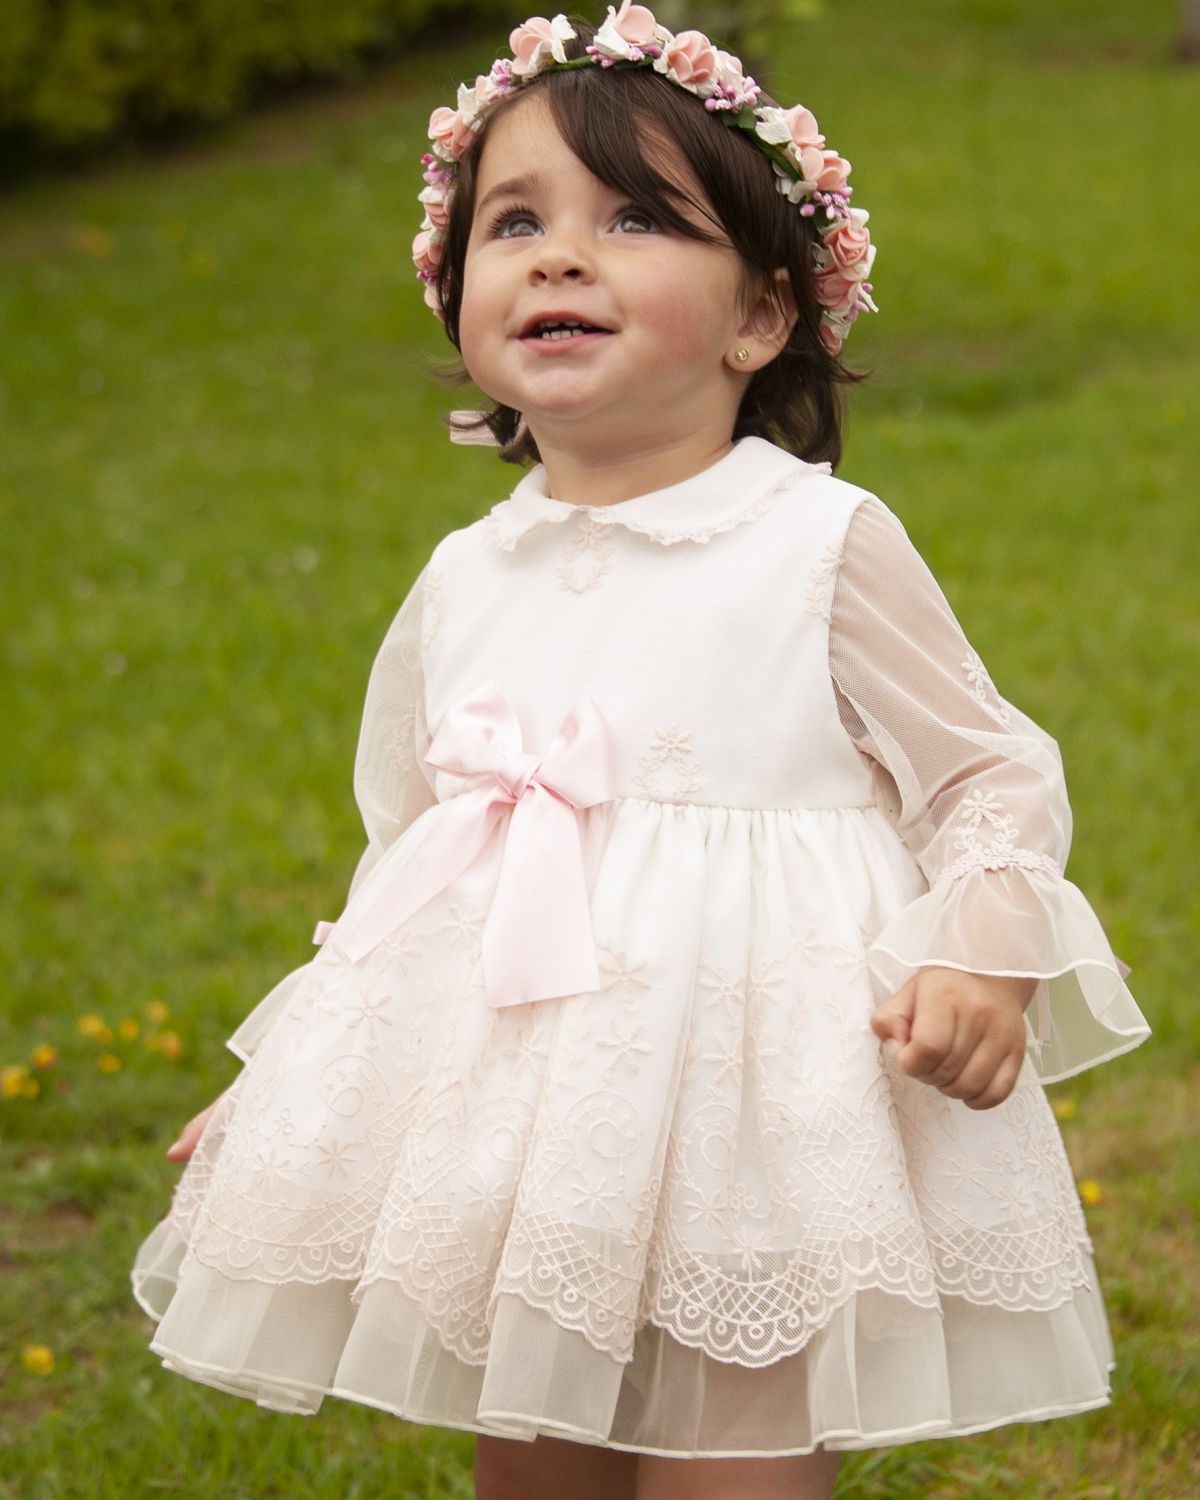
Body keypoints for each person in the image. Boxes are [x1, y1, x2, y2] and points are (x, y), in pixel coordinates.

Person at [130, 6, 1152, 1497]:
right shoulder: (467, 578)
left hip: (756, 1104)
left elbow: (984, 769)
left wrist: (980, 955)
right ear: (458, 293)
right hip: (533, 1116)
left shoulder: (813, 543)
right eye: (515, 223)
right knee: (534, 1455)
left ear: (761, 316)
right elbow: (409, 865)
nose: (559, 256)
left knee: (736, 1460)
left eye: (633, 220)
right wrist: (299, 1069)